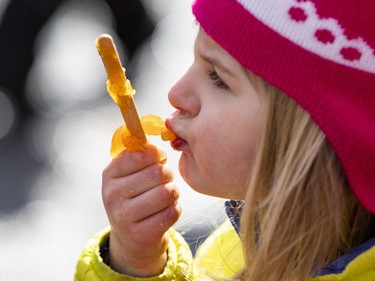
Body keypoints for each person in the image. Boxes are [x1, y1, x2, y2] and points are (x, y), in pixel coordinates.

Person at [75, 0, 375, 280]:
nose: (176, 93)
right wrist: (137, 261)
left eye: (218, 77)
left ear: (308, 134)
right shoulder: (239, 243)